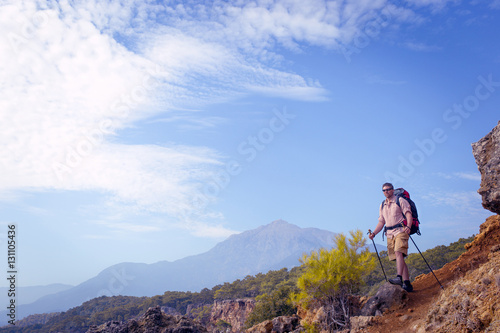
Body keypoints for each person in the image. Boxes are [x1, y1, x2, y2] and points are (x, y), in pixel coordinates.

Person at [369, 183, 413, 292]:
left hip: (401, 230)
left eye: (388, 189)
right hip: (389, 234)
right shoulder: (382, 205)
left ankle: (399, 278)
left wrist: (408, 226)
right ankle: (407, 283)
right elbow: (381, 222)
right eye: (384, 190)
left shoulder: (400, 201)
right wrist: (374, 233)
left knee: (398, 252)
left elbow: (408, 214)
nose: (386, 192)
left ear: (393, 190)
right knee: (399, 257)